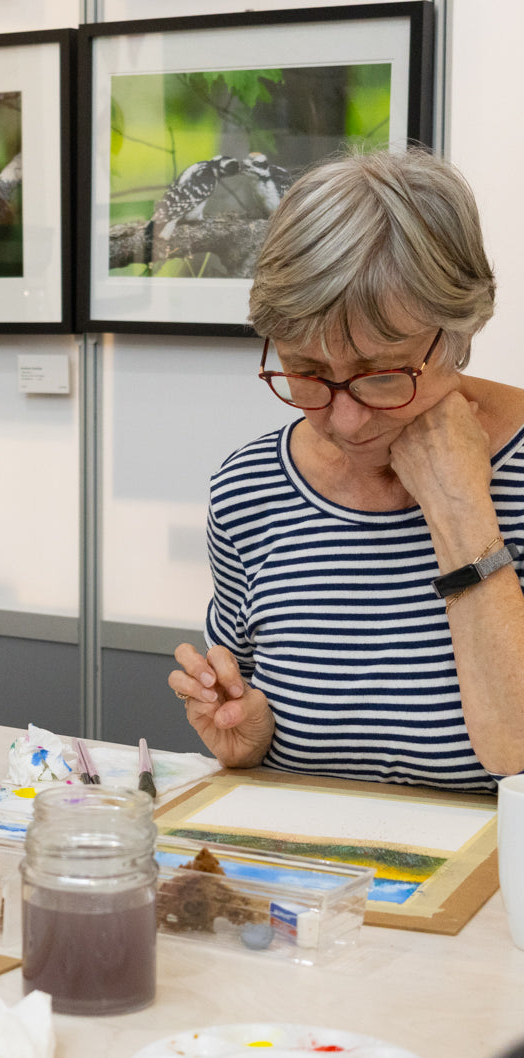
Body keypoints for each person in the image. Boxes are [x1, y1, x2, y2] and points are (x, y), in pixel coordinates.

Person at [168, 148, 524, 792]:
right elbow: (259, 717)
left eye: (380, 374)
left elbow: (515, 753)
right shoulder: (250, 487)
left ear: (459, 334)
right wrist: (252, 740)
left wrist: (460, 509)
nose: (347, 420)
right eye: (307, 372)